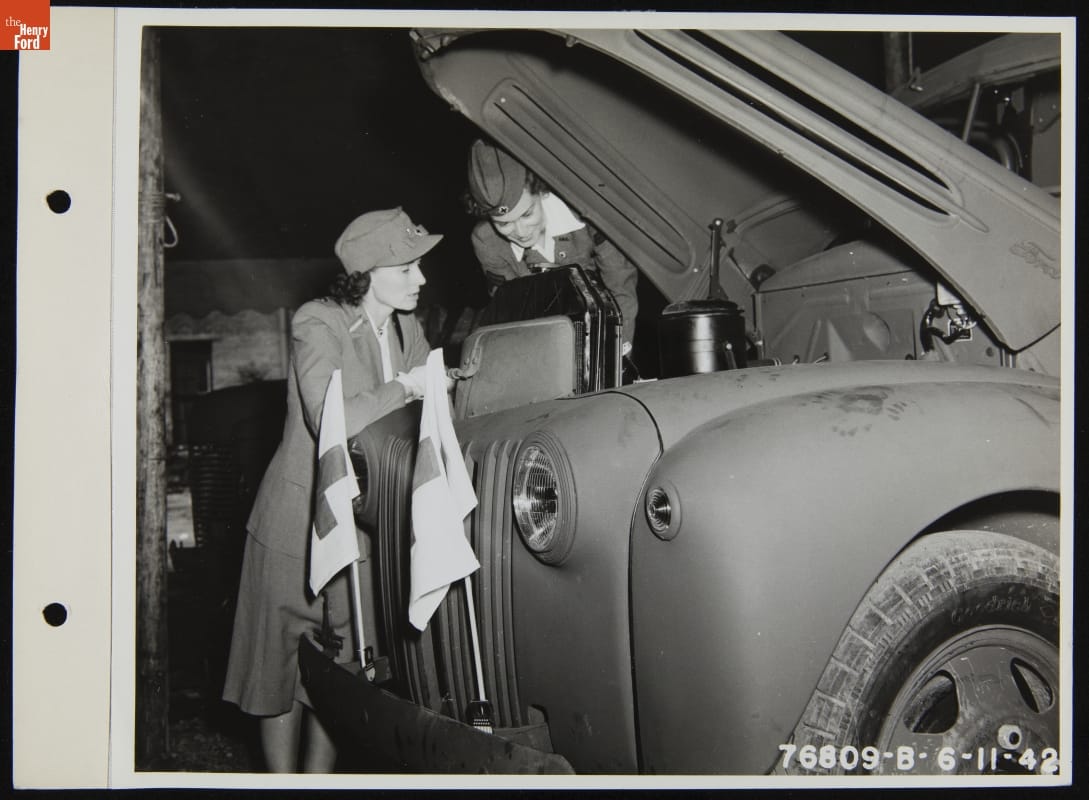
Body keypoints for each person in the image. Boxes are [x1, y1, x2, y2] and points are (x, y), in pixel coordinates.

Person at [222, 207, 442, 772]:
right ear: (368, 272)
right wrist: (407, 386)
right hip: (299, 521)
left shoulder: (405, 327)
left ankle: (318, 784)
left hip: (365, 527)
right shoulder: (317, 322)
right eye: (408, 267)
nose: (421, 279)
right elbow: (330, 418)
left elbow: (423, 410)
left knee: (347, 671)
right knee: (280, 668)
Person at [464, 138, 639, 353]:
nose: (520, 232)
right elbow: (513, 310)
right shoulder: (487, 241)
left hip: (602, 318)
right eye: (504, 223)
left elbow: (620, 285)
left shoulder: (588, 216)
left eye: (527, 214)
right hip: (542, 337)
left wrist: (619, 349)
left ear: (542, 192)